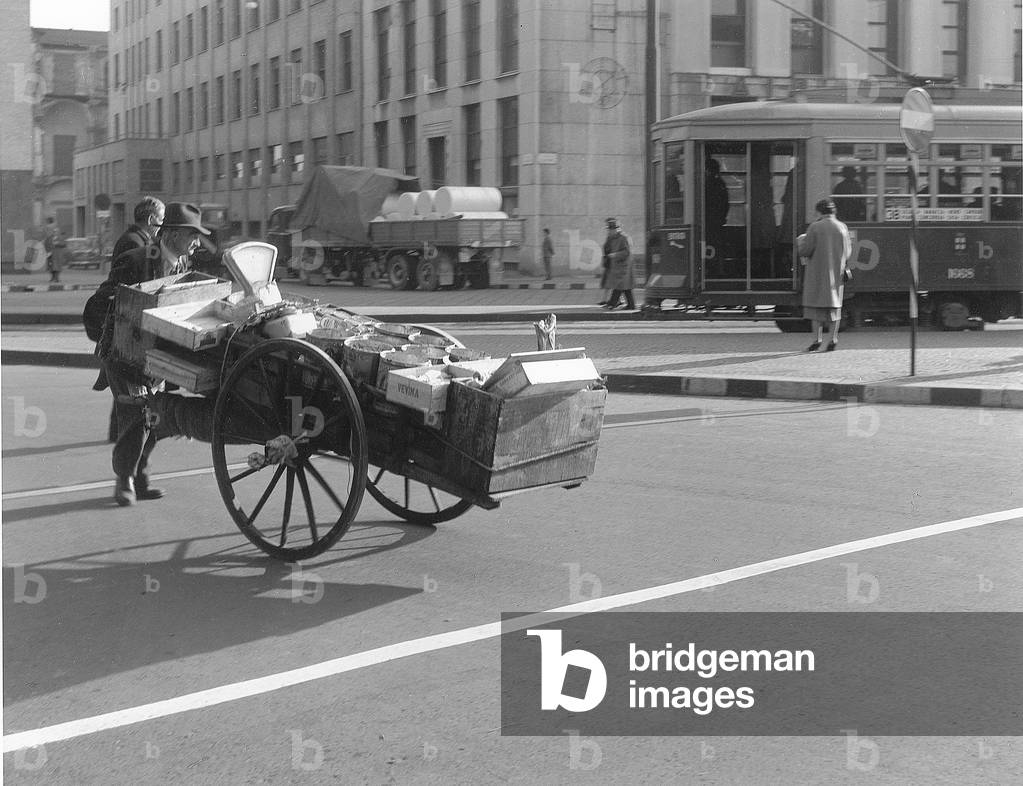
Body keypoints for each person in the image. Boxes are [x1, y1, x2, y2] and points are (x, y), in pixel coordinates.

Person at [96, 202, 211, 506]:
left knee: (153, 417)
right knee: (135, 416)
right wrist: (115, 337)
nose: (197, 242)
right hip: (125, 358)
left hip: (157, 359)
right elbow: (101, 301)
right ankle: (125, 480)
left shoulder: (183, 267)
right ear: (171, 234)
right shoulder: (134, 260)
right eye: (192, 235)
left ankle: (140, 477)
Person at [97, 197, 166, 442]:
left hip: (127, 323)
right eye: (161, 222)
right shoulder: (133, 243)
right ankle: (122, 437)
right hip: (126, 323)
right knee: (125, 383)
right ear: (150, 220)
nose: (162, 228)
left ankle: (118, 434)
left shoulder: (140, 239)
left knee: (125, 387)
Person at [797, 199, 852, 352]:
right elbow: (848, 252)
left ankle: (817, 340)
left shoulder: (815, 227)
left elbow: (805, 251)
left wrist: (801, 242)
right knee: (835, 307)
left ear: (819, 212)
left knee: (816, 308)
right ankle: (833, 339)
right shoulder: (842, 227)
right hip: (836, 273)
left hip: (817, 274)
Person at [111, 196, 165, 261]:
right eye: (161, 220)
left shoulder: (134, 238)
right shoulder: (134, 243)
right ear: (150, 220)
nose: (161, 224)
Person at [602, 217, 635, 311]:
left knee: (620, 285)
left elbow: (626, 252)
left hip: (624, 266)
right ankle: (631, 305)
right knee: (625, 287)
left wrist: (615, 255)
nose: (609, 231)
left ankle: (612, 304)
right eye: (609, 229)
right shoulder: (613, 238)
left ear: (616, 229)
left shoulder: (624, 238)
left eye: (610, 230)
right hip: (618, 266)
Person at [704, 157, 730, 254]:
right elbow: (725, 203)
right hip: (718, 222)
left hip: (709, 222)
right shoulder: (720, 183)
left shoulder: (706, 183)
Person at [44, 217, 68, 283]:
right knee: (51, 266)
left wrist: (58, 243)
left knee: (56, 266)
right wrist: (47, 251)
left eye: (56, 231)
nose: (54, 232)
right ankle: (53, 278)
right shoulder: (49, 237)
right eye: (54, 231)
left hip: (57, 254)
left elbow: (64, 244)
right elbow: (46, 243)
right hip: (51, 253)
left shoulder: (59, 237)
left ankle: (56, 278)